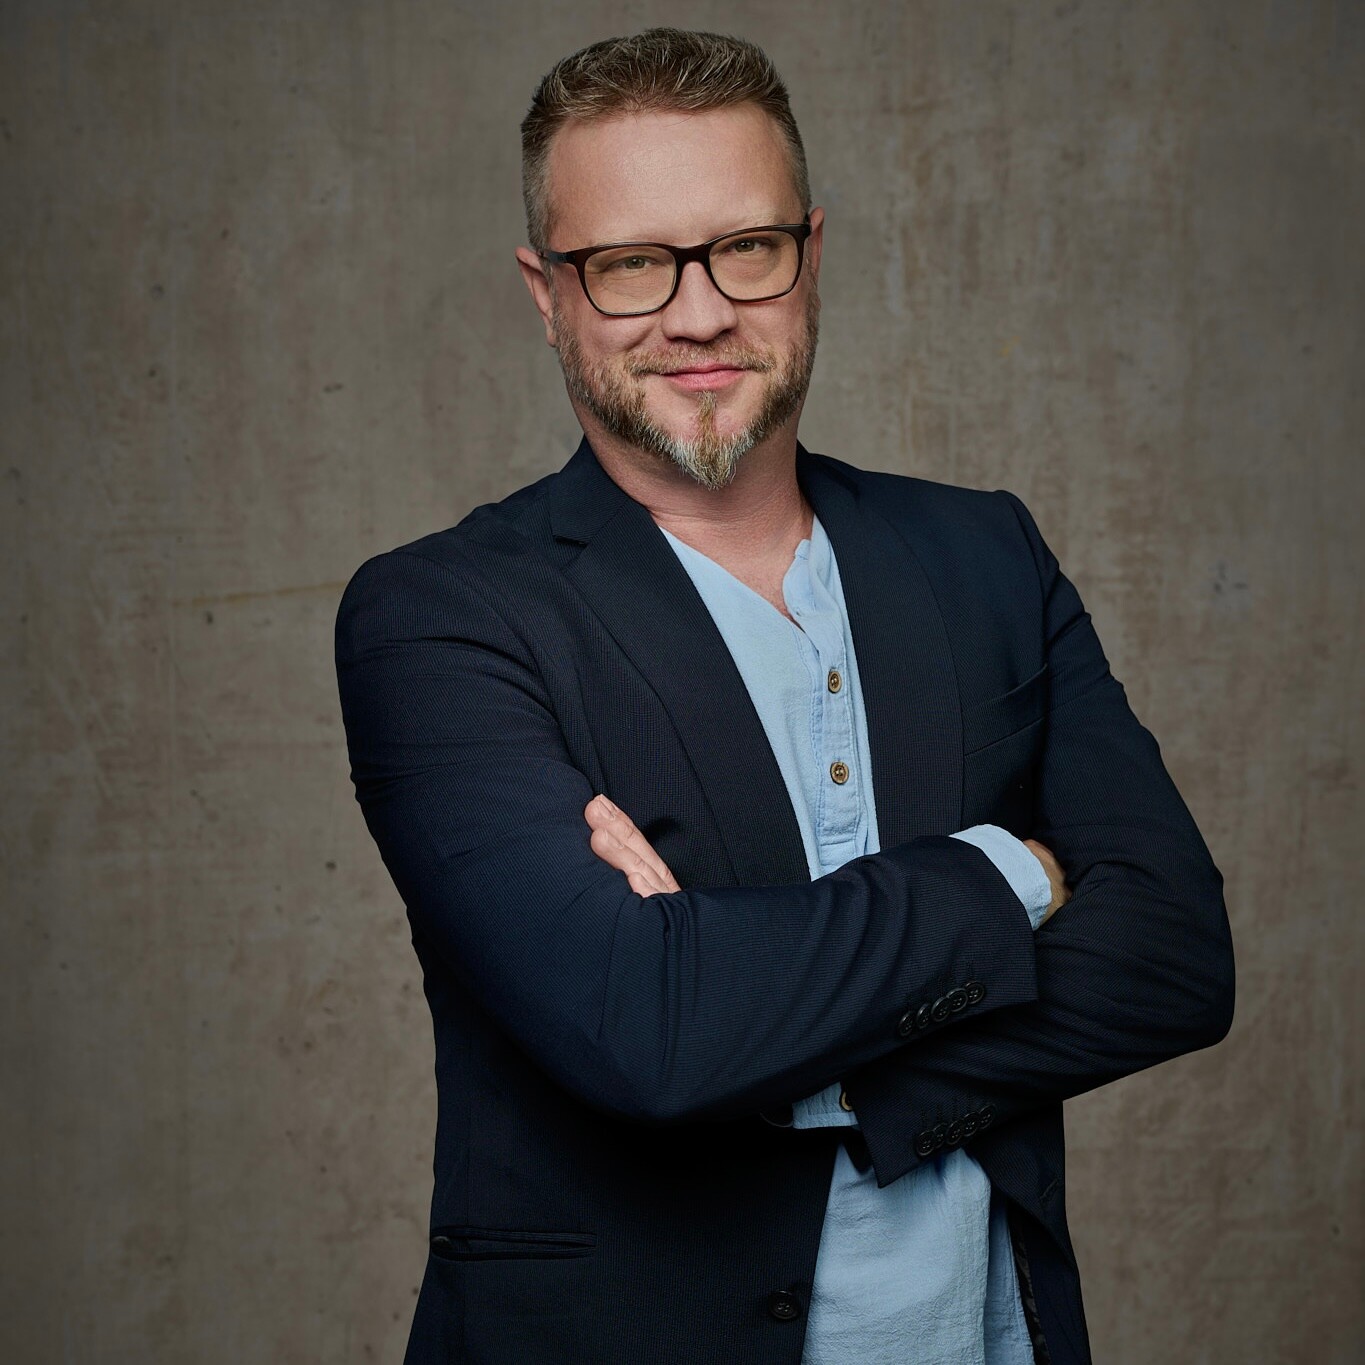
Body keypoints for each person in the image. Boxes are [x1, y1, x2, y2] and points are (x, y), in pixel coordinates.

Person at [335, 27, 1234, 1365]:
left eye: (744, 247)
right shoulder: (442, 615)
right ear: (547, 292)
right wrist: (1017, 872)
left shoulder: (983, 554)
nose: (699, 313)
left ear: (809, 252)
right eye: (630, 263)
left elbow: (1175, 961)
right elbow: (650, 1030)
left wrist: (771, 1032)